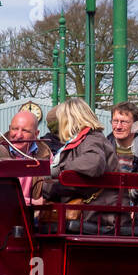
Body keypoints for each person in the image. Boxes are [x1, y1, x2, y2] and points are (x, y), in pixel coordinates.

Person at [37, 96, 119, 230]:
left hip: (97, 215)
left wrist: (55, 174)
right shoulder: (90, 139)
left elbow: (93, 164)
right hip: (97, 212)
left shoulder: (91, 139)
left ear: (70, 120)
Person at [107, 101, 138, 174]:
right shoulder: (101, 148)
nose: (118, 126)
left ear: (136, 125)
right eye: (115, 121)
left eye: (124, 122)